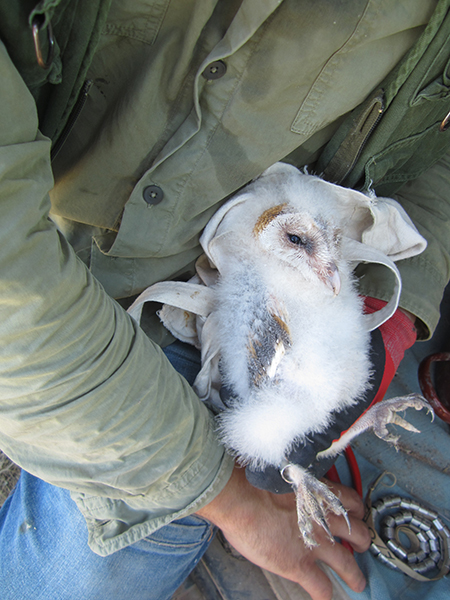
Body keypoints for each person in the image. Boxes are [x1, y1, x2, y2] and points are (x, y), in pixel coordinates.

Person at [0, 1, 449, 599]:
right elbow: (17, 296)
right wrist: (225, 498)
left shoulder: (312, 251)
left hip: (321, 243)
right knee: (112, 559)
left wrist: (401, 311)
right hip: (79, 277)